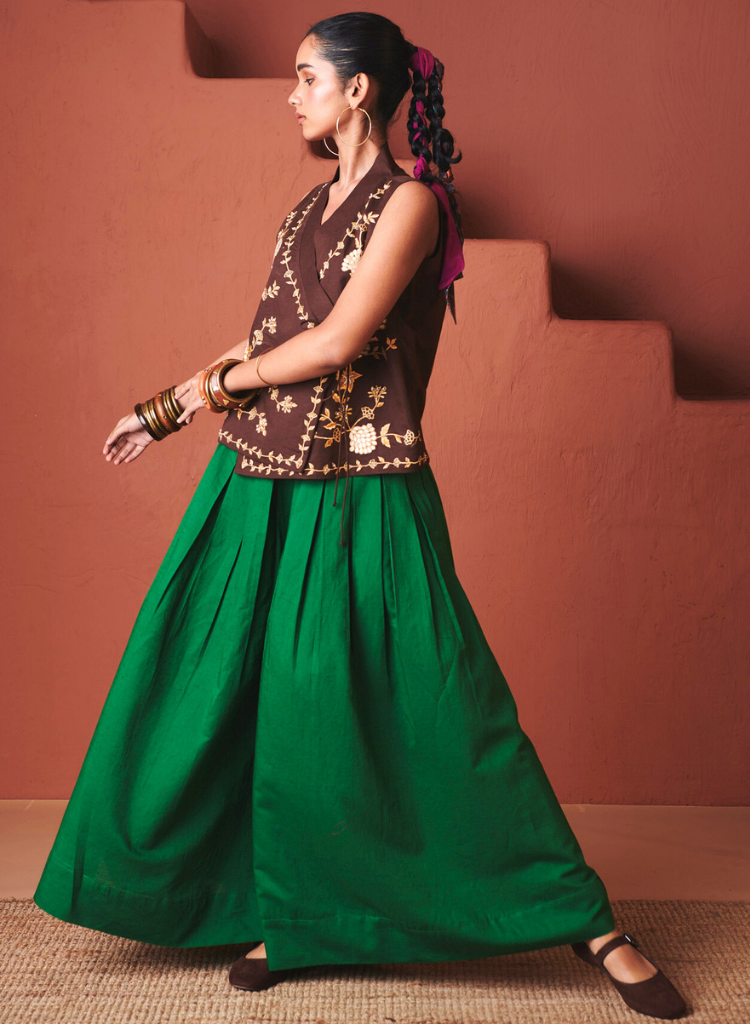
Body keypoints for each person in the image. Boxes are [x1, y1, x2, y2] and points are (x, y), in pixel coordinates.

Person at [34, 13, 687, 1020]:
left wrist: (214, 391)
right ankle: (303, 914)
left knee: (443, 702)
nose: (291, 95)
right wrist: (165, 406)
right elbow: (268, 335)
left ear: (359, 91)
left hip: (366, 482)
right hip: (259, 476)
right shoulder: (307, 209)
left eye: (307, 77)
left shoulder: (412, 203)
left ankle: (585, 918)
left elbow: (339, 341)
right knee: (261, 700)